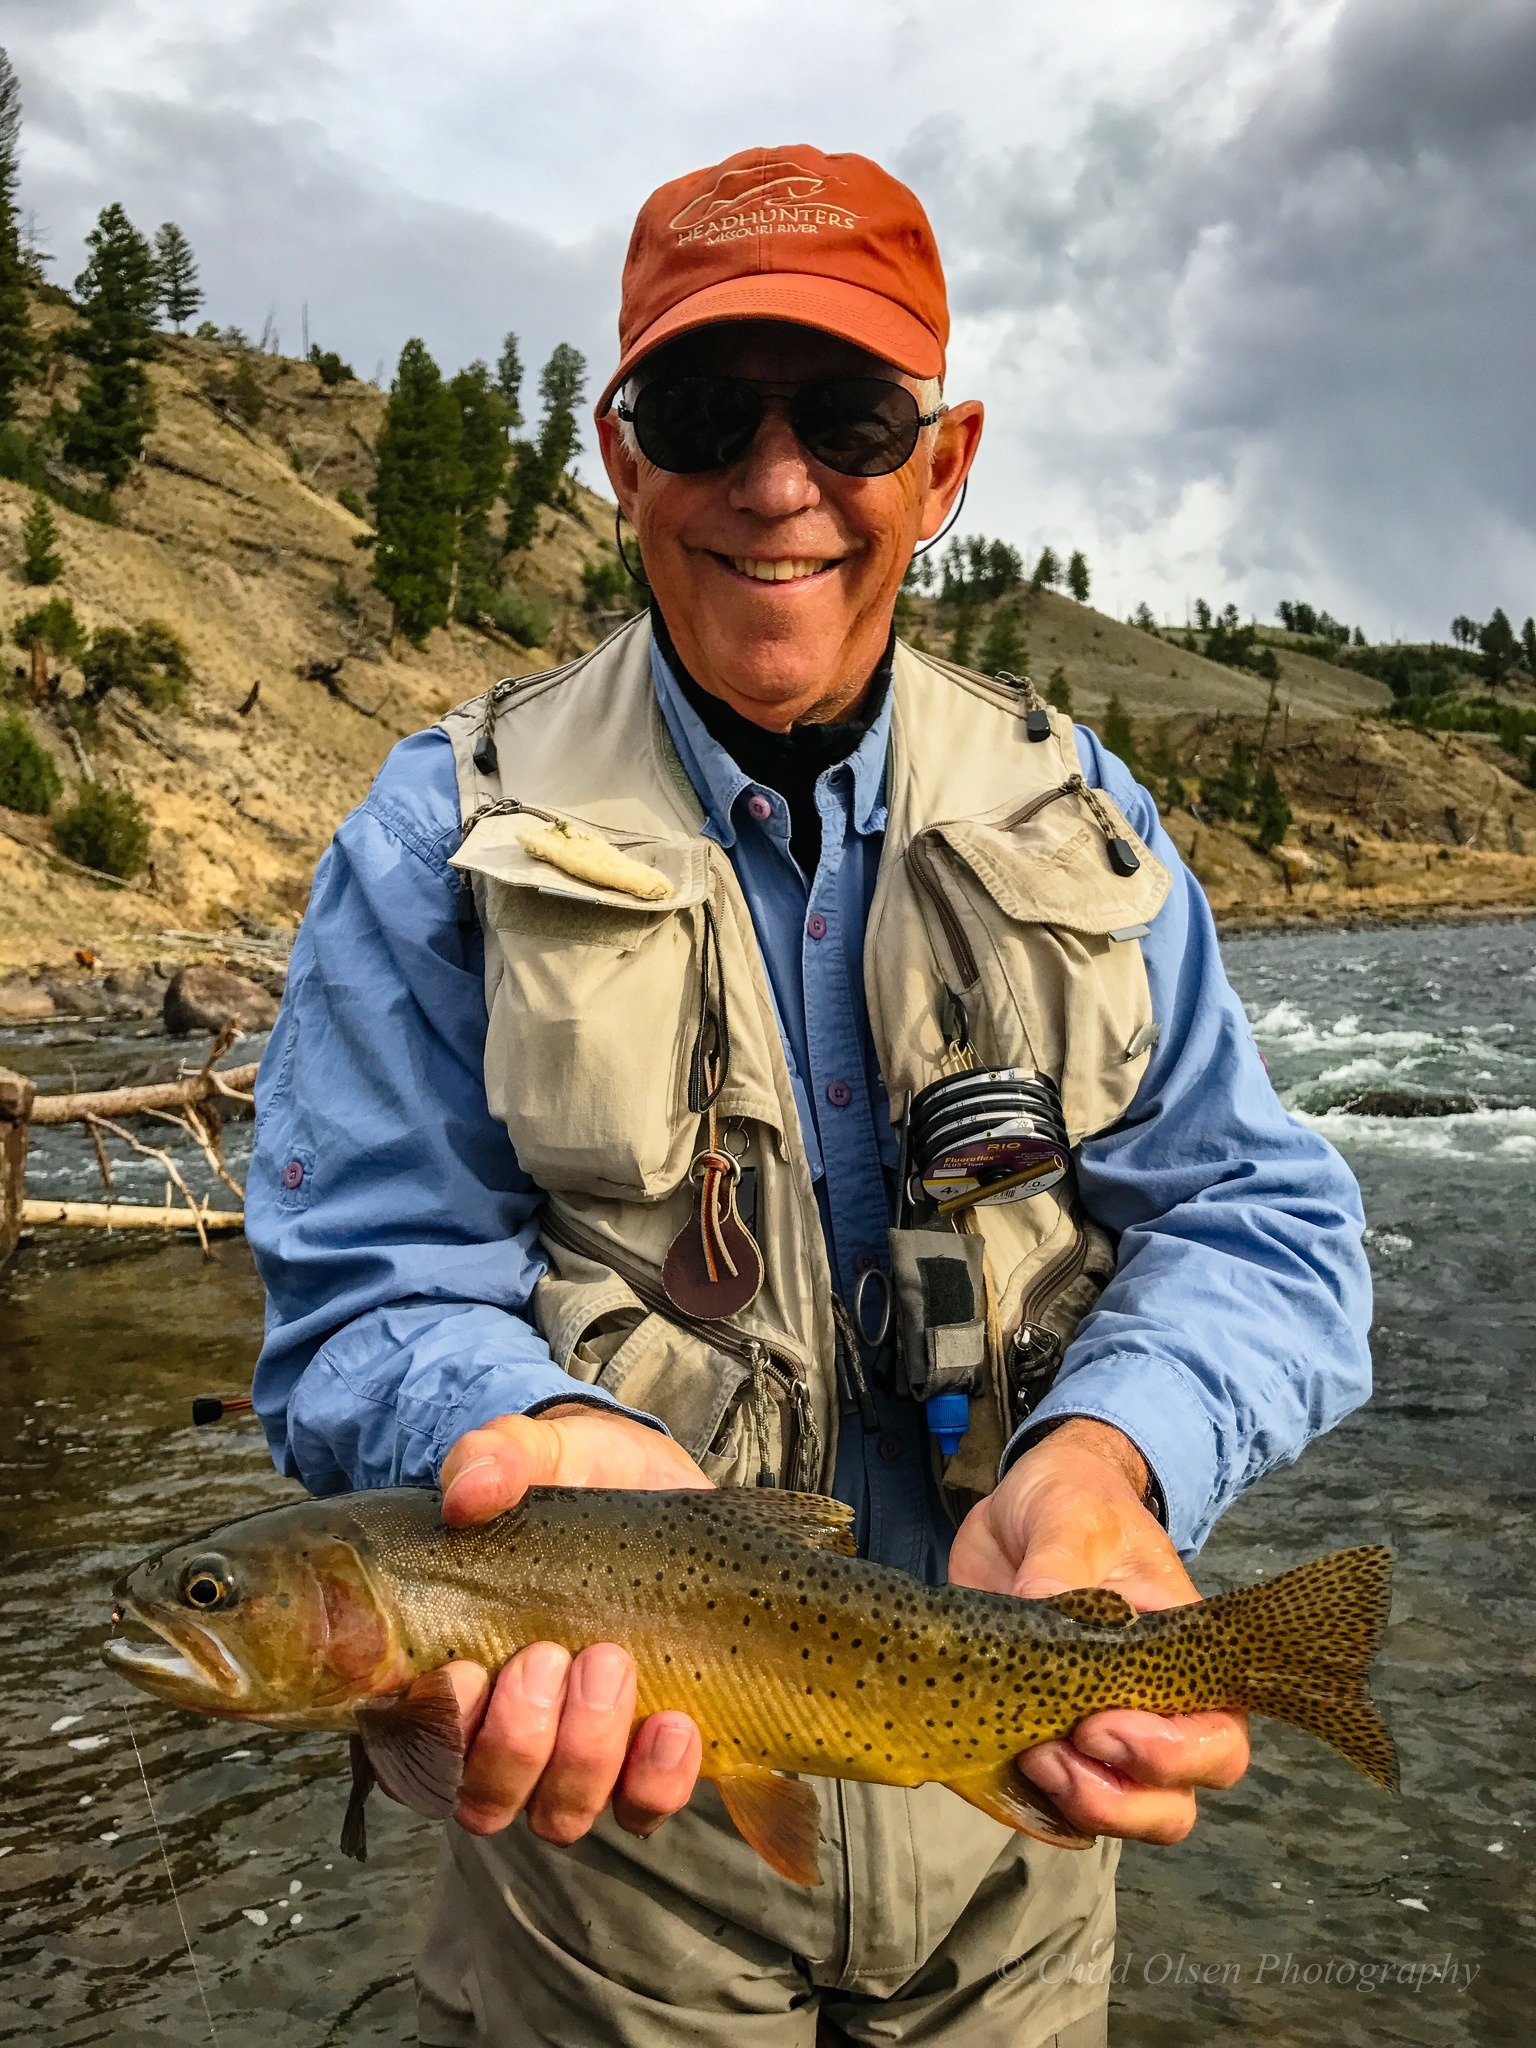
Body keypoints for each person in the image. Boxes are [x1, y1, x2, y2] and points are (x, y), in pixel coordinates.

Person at [247, 144, 1371, 2048]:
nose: (777, 485)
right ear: (620, 455)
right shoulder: (436, 831)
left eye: (848, 417)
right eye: (702, 412)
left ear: (944, 464)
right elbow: (361, 1288)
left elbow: (1267, 1221)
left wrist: (1115, 1454)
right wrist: (513, 1436)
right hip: (608, 1877)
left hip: (1018, 1835)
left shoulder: (1089, 815)